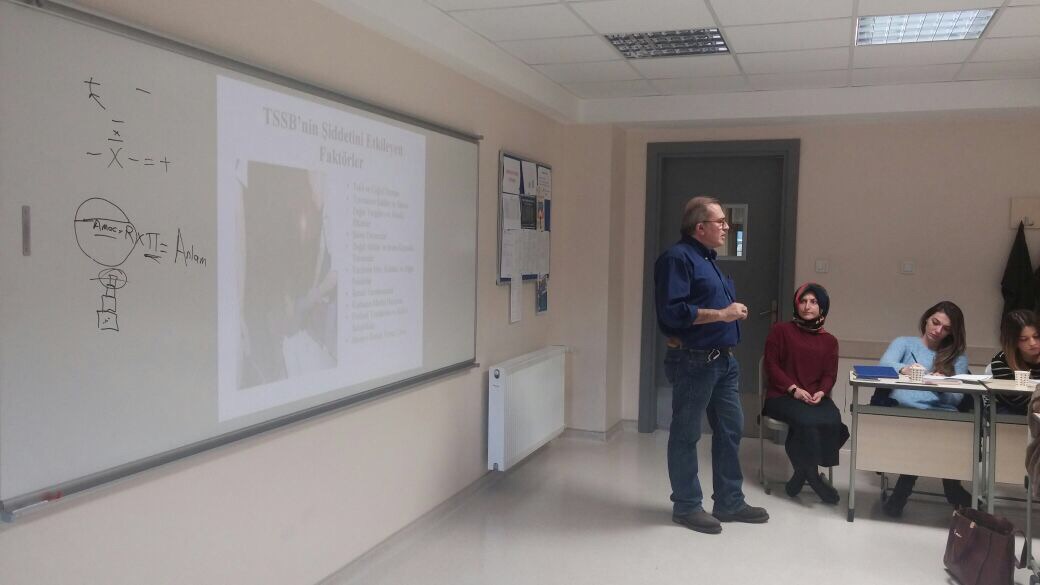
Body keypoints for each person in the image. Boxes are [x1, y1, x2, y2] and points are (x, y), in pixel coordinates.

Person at [654, 195, 769, 535]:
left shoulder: (708, 259)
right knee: (686, 434)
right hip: (693, 360)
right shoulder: (677, 259)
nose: (726, 227)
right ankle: (687, 506)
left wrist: (728, 313)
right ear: (699, 227)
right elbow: (673, 313)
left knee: (731, 429)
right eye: (720, 221)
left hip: (723, 362)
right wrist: (722, 314)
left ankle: (729, 501)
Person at [878, 301, 973, 517]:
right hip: (906, 412)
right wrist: (905, 368)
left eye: (946, 328)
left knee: (934, 434)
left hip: (942, 416)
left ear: (953, 333)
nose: (937, 330)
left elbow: (957, 399)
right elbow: (883, 365)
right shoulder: (904, 343)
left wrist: (940, 385)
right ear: (926, 319)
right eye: (935, 322)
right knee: (922, 434)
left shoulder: (957, 356)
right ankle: (953, 492)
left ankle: (901, 495)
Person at [762, 283, 848, 504]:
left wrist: (822, 391)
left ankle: (801, 473)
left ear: (822, 307)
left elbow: (829, 374)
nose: (807, 306)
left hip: (814, 396)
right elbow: (771, 366)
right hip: (782, 395)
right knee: (807, 422)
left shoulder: (830, 341)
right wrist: (794, 389)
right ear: (796, 304)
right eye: (803, 301)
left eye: (813, 302)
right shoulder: (781, 331)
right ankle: (813, 477)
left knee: (834, 422)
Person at [989, 309, 1040, 415]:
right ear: (1013, 341)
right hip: (1013, 411)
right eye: (1024, 339)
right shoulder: (1001, 361)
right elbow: (1016, 400)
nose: (1032, 343)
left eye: (1036, 336)